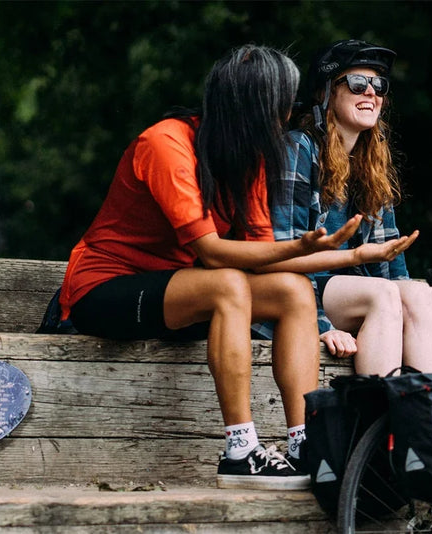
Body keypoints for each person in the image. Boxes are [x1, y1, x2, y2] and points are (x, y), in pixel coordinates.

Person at [59, 44, 363, 491]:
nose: (288, 118)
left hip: (184, 295)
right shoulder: (165, 143)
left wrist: (354, 256)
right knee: (227, 285)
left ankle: (304, 443)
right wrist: (303, 244)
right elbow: (215, 252)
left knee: (293, 290)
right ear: (256, 106)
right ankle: (240, 450)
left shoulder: (252, 160)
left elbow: (265, 257)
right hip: (105, 289)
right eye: (284, 106)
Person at [262, 39, 432, 386]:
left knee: (420, 293)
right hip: (291, 295)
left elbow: (390, 263)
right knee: (383, 293)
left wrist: (416, 313)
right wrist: (318, 325)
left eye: (379, 85)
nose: (371, 93)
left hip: (348, 295)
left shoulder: (370, 162)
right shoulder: (297, 149)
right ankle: (373, 424)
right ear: (326, 93)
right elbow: (280, 252)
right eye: (357, 83)